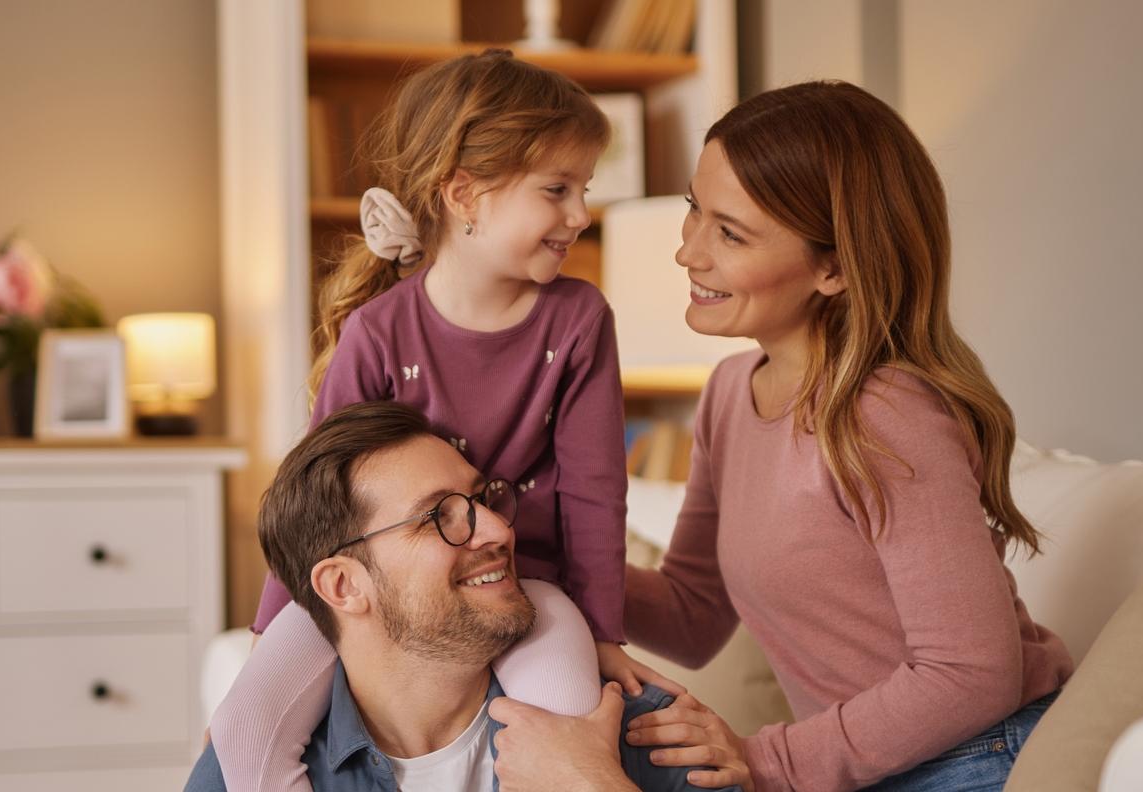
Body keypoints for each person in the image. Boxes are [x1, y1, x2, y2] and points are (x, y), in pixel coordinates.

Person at [503, 81, 1077, 791]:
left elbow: (973, 673)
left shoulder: (886, 413)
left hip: (982, 758)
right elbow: (693, 614)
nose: (688, 253)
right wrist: (536, 546)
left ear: (833, 266)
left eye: (730, 233)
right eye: (694, 210)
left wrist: (768, 759)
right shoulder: (729, 394)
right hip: (872, 770)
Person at [208, 48, 680, 792]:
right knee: (240, 725)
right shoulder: (378, 332)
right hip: (388, 592)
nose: (581, 216)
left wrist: (603, 633)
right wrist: (275, 641)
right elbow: (311, 504)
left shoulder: (581, 318)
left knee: (566, 715)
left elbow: (595, 491)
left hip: (530, 586)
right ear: (466, 194)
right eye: (557, 189)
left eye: (583, 190)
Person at [184, 401, 733, 792]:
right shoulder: (247, 767)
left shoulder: (643, 735)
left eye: (480, 499)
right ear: (344, 586)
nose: (497, 530)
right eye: (439, 518)